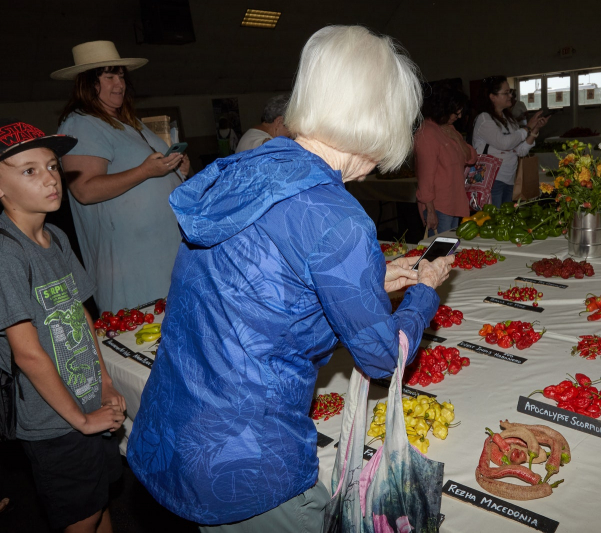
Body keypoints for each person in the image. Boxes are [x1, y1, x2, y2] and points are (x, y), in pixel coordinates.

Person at [126, 26, 453, 532]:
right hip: (245, 459)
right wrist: (423, 295)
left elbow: (256, 282)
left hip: (174, 426)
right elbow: (383, 356)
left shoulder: (242, 167)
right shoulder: (336, 218)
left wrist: (364, 280)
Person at [0, 119, 126, 532]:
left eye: (52, 166)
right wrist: (81, 420)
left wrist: (105, 384)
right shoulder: (7, 253)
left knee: (101, 503)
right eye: (29, 171)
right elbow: (27, 352)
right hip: (55, 422)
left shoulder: (56, 236)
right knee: (80, 520)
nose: (50, 178)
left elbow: (82, 317)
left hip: (88, 400)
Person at [53, 41, 189, 313]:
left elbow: (155, 172)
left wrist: (178, 171)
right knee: (141, 338)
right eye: (109, 76)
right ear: (88, 83)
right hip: (131, 264)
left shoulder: (130, 122)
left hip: (162, 254)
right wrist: (145, 171)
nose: (120, 83)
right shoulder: (80, 123)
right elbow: (85, 190)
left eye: (122, 75)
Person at [472, 76, 549, 207]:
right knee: (493, 221)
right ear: (492, 97)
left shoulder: (509, 120)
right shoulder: (484, 119)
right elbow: (504, 143)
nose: (510, 96)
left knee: (504, 221)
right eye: (506, 93)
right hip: (492, 180)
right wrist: (527, 128)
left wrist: (535, 130)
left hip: (510, 178)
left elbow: (520, 151)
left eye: (510, 92)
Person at [415, 86, 477, 236]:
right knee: (441, 254)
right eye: (457, 112)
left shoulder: (448, 128)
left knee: (450, 251)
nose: (460, 116)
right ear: (443, 108)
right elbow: (425, 178)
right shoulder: (427, 133)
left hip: (454, 202)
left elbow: (472, 157)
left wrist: (457, 138)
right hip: (438, 206)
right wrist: (430, 211)